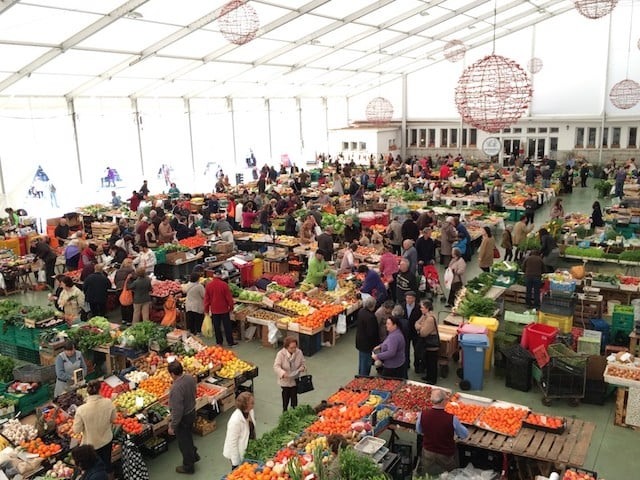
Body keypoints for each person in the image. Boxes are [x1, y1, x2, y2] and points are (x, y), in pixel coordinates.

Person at [415, 389, 468, 476]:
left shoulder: (423, 414)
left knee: (429, 475)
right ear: (444, 401)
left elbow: (419, 430)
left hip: (428, 452)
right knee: (449, 475)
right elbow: (464, 435)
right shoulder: (451, 418)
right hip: (446, 454)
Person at [73, 380, 116, 477]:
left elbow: (76, 430)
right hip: (106, 440)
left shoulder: (81, 410)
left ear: (87, 392)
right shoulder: (108, 402)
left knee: (94, 470)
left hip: (91, 446)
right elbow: (114, 419)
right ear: (100, 390)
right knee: (107, 464)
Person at [167, 361, 199, 474]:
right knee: (188, 437)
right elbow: (195, 392)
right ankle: (194, 455)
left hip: (183, 418)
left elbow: (177, 411)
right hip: (192, 412)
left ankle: (188, 467)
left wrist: (173, 426)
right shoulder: (190, 378)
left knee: (184, 443)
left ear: (172, 374)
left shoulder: (176, 388)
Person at [223, 392, 256, 469]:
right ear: (245, 405)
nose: (253, 403)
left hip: (248, 448)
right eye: (251, 402)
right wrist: (236, 463)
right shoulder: (235, 421)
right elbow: (232, 443)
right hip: (238, 451)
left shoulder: (250, 411)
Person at [273, 337, 306, 411]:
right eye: (291, 348)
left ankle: (294, 412)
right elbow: (276, 366)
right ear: (286, 347)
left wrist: (303, 367)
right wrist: (282, 373)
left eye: (295, 347)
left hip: (295, 379)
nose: (294, 349)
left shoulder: (299, 352)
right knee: (286, 396)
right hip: (285, 380)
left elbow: (303, 362)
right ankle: (285, 411)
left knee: (294, 397)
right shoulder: (280, 354)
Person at [204, 273, 236, 347]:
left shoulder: (209, 285)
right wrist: (231, 307)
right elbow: (229, 298)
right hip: (224, 309)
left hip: (214, 309)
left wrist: (206, 310)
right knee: (227, 326)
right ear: (221, 276)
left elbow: (206, 299)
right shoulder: (224, 285)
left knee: (216, 326)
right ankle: (230, 342)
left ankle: (219, 342)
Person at [415, 300, 439, 384]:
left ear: (427, 308)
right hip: (427, 344)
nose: (420, 309)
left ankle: (432, 379)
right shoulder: (425, 316)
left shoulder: (429, 319)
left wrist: (419, 328)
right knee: (428, 361)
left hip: (431, 345)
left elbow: (423, 333)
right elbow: (416, 323)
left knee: (432, 362)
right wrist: (420, 326)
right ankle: (428, 376)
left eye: (422, 307)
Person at [355, 296, 379, 376]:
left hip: (360, 341)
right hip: (367, 345)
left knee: (362, 362)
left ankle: (360, 377)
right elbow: (371, 333)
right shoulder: (371, 317)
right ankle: (363, 380)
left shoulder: (361, 311)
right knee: (366, 365)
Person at [403, 291, 422, 374]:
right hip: (405, 332)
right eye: (407, 298)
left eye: (410, 298)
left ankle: (417, 366)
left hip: (415, 332)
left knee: (417, 349)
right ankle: (406, 364)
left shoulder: (419, 308)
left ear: (414, 299)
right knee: (405, 349)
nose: (408, 299)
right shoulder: (402, 306)